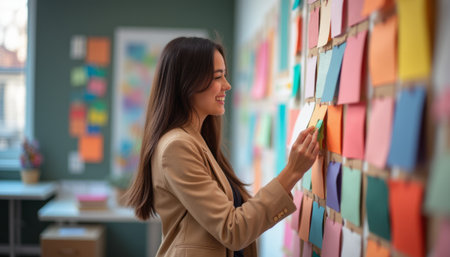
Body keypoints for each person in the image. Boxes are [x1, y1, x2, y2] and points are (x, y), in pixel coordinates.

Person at [126, 37, 319, 257]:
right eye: (218, 77)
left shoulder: (197, 140)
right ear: (188, 82)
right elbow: (233, 229)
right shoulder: (177, 147)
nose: (227, 85)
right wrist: (292, 171)